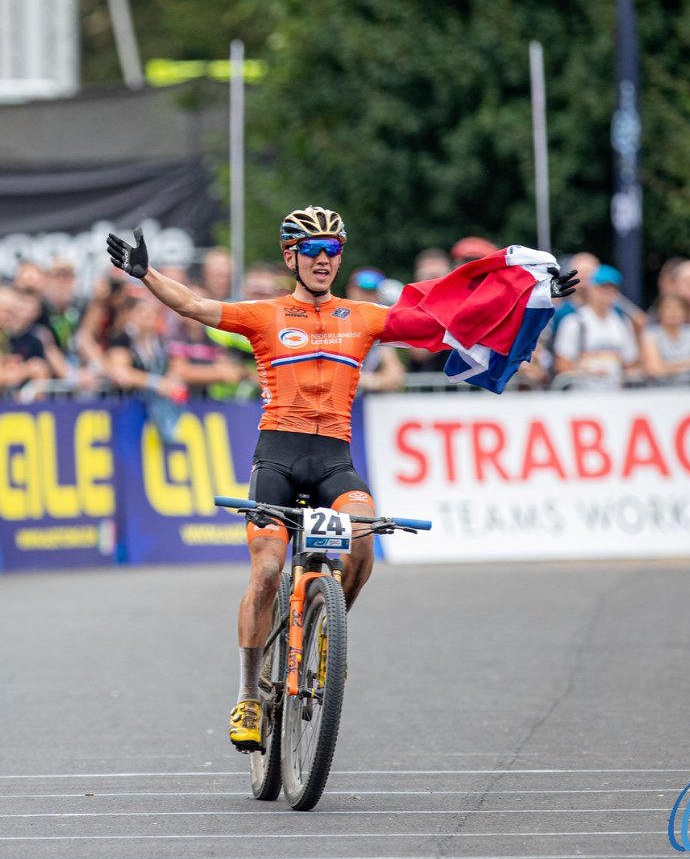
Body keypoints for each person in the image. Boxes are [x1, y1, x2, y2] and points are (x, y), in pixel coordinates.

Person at [106, 206, 575, 753]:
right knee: (266, 571)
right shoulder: (264, 314)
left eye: (333, 251)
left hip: (334, 460)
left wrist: (533, 298)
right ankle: (248, 697)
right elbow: (194, 304)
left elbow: (455, 320)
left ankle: (329, 637)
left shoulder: (365, 315)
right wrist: (146, 273)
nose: (325, 260)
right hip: (277, 457)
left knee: (364, 546)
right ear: (292, 258)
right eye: (313, 251)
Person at [552, 265, 640, 382]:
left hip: (617, 394)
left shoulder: (623, 322)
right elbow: (561, 364)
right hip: (581, 394)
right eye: (601, 288)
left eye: (611, 289)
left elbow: (631, 362)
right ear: (590, 289)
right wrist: (588, 372)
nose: (606, 293)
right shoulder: (574, 321)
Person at [641, 292, 690, 383]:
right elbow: (654, 369)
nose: (673, 312)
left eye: (678, 308)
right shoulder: (651, 334)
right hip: (660, 392)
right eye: (668, 308)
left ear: (686, 312)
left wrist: (667, 366)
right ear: (659, 312)